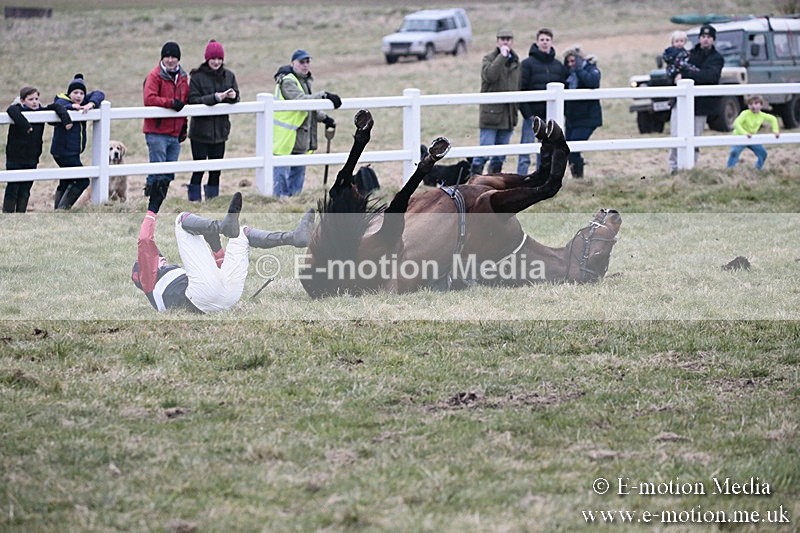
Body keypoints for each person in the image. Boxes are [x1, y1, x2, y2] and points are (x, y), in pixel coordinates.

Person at [132, 187, 315, 313]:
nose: (162, 259)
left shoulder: (169, 282)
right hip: (200, 298)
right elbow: (144, 240)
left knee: (241, 234)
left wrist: (217, 248)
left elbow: (220, 275)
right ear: (142, 274)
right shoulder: (150, 282)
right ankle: (221, 226)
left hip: (226, 298)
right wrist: (152, 208)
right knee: (180, 220)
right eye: (158, 259)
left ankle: (294, 237)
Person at [272, 49, 342, 197]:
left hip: (300, 135)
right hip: (286, 136)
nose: (305, 65)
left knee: (297, 175)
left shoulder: (303, 81)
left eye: (307, 62)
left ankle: (294, 202)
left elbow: (308, 107)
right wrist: (324, 95)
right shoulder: (288, 81)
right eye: (301, 62)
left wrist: (324, 118)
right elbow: (301, 101)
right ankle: (280, 203)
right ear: (293, 63)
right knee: (281, 176)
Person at [187, 39, 240, 202]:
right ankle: (194, 200)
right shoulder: (197, 77)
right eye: (213, 58)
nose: (217, 62)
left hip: (221, 131)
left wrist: (233, 96)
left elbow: (237, 96)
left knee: (216, 170)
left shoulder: (229, 75)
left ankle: (213, 200)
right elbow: (192, 99)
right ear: (207, 59)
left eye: (219, 59)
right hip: (200, 132)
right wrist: (215, 98)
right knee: (199, 169)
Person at [3, 86, 72, 213]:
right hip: (15, 157)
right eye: (30, 99)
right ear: (23, 101)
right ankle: (8, 214)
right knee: (13, 187)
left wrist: (66, 120)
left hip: (32, 157)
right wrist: (26, 126)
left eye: (36, 98)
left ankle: (20, 214)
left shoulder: (41, 111)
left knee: (26, 188)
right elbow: (11, 110)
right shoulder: (17, 109)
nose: (34, 102)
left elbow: (56, 107)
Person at [668, 24, 723, 173]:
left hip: (702, 105)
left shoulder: (717, 58)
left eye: (709, 37)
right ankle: (674, 168)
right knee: (675, 135)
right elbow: (675, 69)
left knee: (695, 137)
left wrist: (686, 75)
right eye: (703, 37)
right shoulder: (688, 54)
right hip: (681, 102)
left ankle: (690, 168)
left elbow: (710, 76)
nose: (705, 40)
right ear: (699, 38)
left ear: (713, 40)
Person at [50, 74, 106, 209]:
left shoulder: (83, 102)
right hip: (64, 151)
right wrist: (72, 107)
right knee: (82, 180)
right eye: (75, 92)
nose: (79, 95)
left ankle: (58, 210)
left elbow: (99, 93)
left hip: (72, 151)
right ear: (69, 93)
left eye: (81, 93)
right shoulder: (62, 101)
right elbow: (59, 105)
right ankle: (63, 209)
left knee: (66, 179)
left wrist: (91, 104)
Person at [517, 28, 568, 175]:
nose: (545, 42)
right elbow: (521, 89)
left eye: (547, 40)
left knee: (547, 150)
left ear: (551, 42)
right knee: (526, 149)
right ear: (537, 42)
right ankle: (521, 177)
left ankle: (542, 178)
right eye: (542, 40)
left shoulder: (558, 66)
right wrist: (528, 114)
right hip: (533, 116)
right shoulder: (527, 64)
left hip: (551, 117)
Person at [470, 29, 520, 176]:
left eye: (508, 39)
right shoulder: (488, 59)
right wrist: (502, 57)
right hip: (491, 114)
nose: (506, 42)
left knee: (500, 155)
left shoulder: (516, 61)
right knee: (484, 152)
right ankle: (473, 180)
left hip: (509, 114)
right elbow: (490, 75)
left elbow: (518, 85)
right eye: (502, 39)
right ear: (497, 41)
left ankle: (493, 182)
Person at [143, 41, 189, 199]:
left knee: (169, 172)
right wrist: (170, 103)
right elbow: (149, 99)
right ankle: (151, 200)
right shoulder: (154, 76)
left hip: (175, 132)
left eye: (174, 57)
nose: (170, 60)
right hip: (157, 131)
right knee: (158, 170)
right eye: (167, 56)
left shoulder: (183, 77)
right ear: (162, 58)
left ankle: (157, 199)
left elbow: (185, 101)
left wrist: (183, 126)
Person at [562, 46, 602, 179]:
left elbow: (593, 82)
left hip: (588, 117)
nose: (570, 64)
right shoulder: (568, 74)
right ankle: (577, 177)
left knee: (574, 147)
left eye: (573, 61)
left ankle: (578, 177)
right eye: (568, 62)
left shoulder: (591, 69)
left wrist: (579, 69)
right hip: (572, 118)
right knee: (568, 148)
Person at [726, 94, 780, 170]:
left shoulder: (762, 115)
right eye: (750, 104)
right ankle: (729, 170)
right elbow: (736, 123)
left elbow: (773, 119)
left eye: (756, 103)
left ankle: (758, 169)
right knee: (734, 152)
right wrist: (745, 133)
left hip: (752, 138)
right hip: (739, 137)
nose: (753, 106)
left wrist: (776, 131)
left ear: (761, 105)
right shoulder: (745, 113)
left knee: (763, 153)